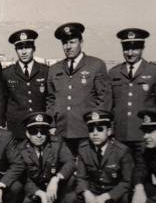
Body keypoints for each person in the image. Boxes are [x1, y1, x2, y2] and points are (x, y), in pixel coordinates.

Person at [46, 23, 111, 155]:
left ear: (81, 42)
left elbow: (104, 99)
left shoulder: (96, 65)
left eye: (72, 42)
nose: (68, 47)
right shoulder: (54, 69)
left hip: (87, 130)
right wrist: (52, 125)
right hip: (62, 131)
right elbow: (51, 100)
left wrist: (98, 127)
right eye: (65, 43)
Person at [64, 110, 133, 203]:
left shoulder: (122, 150)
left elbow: (127, 182)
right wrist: (87, 194)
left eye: (100, 129)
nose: (95, 133)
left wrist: (106, 196)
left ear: (109, 131)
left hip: (114, 194)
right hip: (94, 192)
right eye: (91, 130)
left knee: (127, 199)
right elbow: (81, 177)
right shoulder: (84, 148)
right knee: (70, 199)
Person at [108, 28, 156, 159]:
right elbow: (110, 105)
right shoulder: (114, 73)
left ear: (142, 48)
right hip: (120, 135)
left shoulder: (154, 71)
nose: (130, 53)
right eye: (126, 49)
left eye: (135, 49)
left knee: (144, 169)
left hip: (145, 135)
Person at [19, 112, 75, 203]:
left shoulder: (57, 143)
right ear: (27, 133)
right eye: (34, 131)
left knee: (70, 178)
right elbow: (23, 178)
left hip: (55, 190)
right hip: (36, 190)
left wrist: (56, 179)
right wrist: (41, 194)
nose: (39, 135)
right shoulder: (21, 150)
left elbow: (70, 162)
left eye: (43, 131)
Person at [2, 29, 49, 139]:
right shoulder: (7, 73)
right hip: (16, 128)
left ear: (34, 48)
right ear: (16, 50)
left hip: (39, 126)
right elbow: (2, 101)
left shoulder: (45, 71)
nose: (23, 52)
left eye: (27, 47)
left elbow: (50, 99)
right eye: (20, 48)